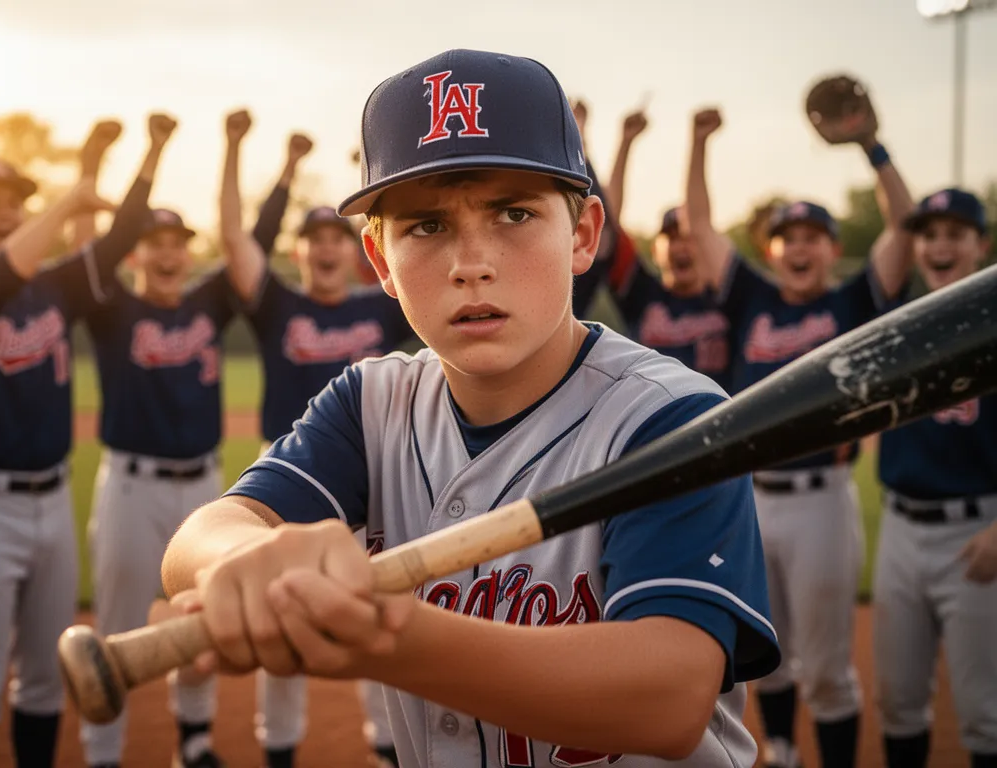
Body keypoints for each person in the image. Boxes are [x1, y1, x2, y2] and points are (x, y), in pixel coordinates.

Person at [161, 48, 780, 768]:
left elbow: (667, 697)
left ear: (582, 235)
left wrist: (383, 632)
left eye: (514, 213)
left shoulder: (670, 418)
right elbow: (198, 542)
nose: (470, 262)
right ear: (381, 261)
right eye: (425, 226)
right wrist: (250, 556)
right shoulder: (372, 400)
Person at [685, 103, 915, 768]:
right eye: (789, 236)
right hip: (750, 500)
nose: (801, 246)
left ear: (832, 249)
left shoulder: (852, 303)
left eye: (815, 235)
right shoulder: (750, 298)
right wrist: (699, 145)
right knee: (767, 655)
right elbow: (698, 224)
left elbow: (904, 224)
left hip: (821, 498)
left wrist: (872, 145)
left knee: (828, 668)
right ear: (772, 249)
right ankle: (783, 752)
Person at [218, 110, 413, 767]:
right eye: (314, 236)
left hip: (378, 480)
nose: (327, 245)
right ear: (298, 251)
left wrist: (379, 170)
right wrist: (264, 161)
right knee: (283, 623)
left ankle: (389, 749)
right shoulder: (280, 307)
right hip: (292, 481)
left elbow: (405, 253)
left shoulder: (380, 308)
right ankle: (279, 751)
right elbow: (233, 242)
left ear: (357, 246)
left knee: (382, 617)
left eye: (339, 234)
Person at [0, 117, 163, 768]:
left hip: (52, 499)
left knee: (48, 675)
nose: (3, 212)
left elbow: (122, 239)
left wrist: (148, 156)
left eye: (12, 202)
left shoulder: (55, 286)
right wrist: (71, 194)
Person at [73, 114, 248, 768]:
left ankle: (194, 739)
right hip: (130, 487)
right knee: (115, 626)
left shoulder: (209, 302)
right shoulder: (112, 308)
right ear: (137, 252)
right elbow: (89, 240)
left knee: (199, 620)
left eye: (179, 241)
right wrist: (122, 156)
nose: (170, 251)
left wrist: (231, 148)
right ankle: (102, 750)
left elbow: (243, 241)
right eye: (156, 241)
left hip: (203, 488)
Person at [873, 188, 997, 768]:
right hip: (900, 528)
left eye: (955, 233)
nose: (939, 245)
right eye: (928, 234)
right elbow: (893, 218)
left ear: (981, 245)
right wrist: (872, 148)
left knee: (986, 714)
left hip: (976, 534)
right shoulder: (898, 324)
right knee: (897, 702)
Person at [575, 103, 732, 392]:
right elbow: (605, 226)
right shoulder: (643, 295)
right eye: (671, 237)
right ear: (656, 249)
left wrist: (699, 142)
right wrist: (623, 143)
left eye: (688, 238)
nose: (681, 247)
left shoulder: (730, 298)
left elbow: (699, 222)